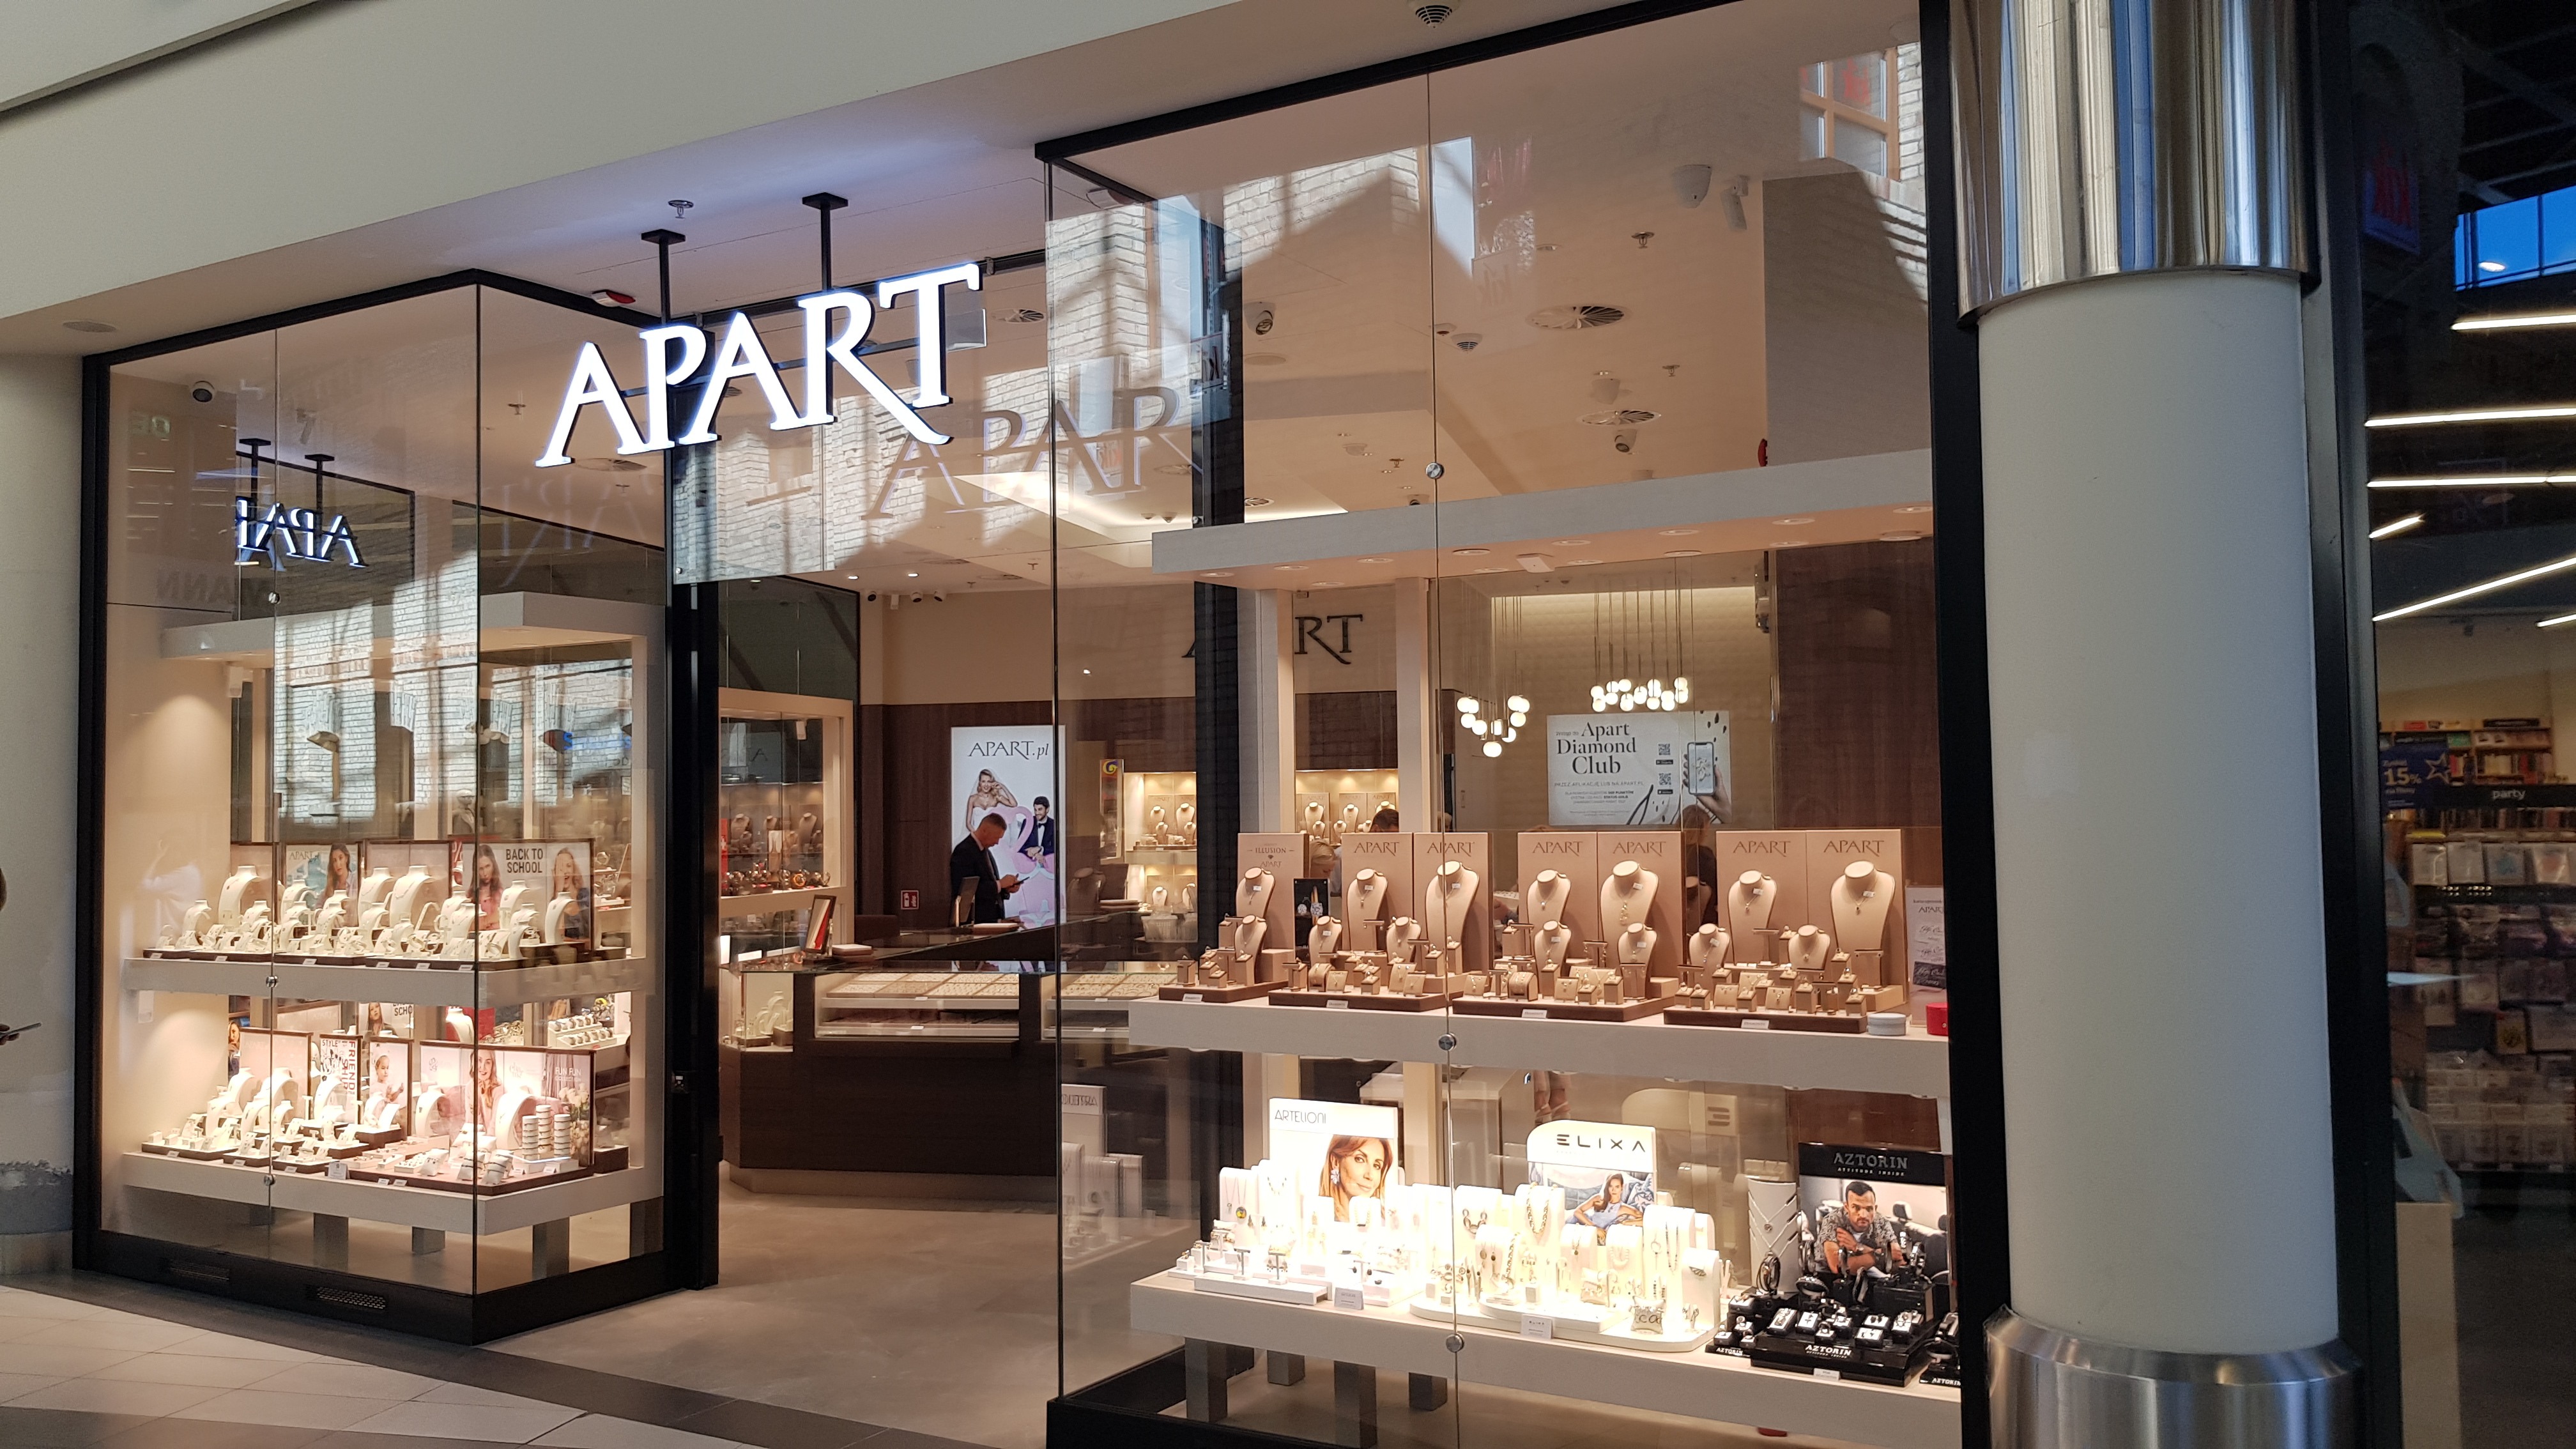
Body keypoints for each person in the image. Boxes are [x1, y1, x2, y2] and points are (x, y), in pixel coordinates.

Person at [1816, 1179, 1907, 1277]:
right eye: (1856, 1208)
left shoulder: (1881, 1222)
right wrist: (1878, 1255)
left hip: (1870, 1276)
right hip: (1830, 1278)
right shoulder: (1832, 1221)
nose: (1863, 1215)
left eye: (1869, 1209)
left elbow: (1897, 1256)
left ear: (1875, 1208)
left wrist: (1858, 1247)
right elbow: (1838, 1267)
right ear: (1847, 1207)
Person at [948, 812, 1021, 924]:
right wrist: (1000, 884)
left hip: (991, 921)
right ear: (984, 831)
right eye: (996, 837)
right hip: (975, 923)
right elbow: (966, 891)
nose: (997, 842)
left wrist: (1006, 888)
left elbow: (988, 884)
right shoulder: (964, 851)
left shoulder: (986, 851)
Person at [1319, 1135, 1392, 1220]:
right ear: (1335, 1161)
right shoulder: (1315, 1219)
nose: (1370, 1176)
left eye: (1377, 1166)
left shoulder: (1386, 1224)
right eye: (1360, 1159)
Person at [1574, 1172, 1645, 1237]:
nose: (1614, 1190)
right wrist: (1595, 1228)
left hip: (1589, 1236)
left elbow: (1646, 1221)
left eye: (1617, 1187)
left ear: (1622, 1187)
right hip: (1578, 1226)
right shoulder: (1599, 1198)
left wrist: (1626, 1223)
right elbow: (1577, 1212)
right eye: (1611, 1186)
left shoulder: (1623, 1208)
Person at [551, 847, 590, 942]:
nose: (565, 872)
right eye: (560, 869)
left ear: (574, 869)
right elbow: (558, 937)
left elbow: (596, 932)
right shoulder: (554, 903)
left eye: (568, 866)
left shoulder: (584, 895)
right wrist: (559, 891)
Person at [963, 769, 1019, 834]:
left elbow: (1014, 804)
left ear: (992, 783)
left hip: (992, 835)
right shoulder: (973, 799)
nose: (986, 785)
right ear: (980, 783)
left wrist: (1003, 787)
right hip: (977, 835)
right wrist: (977, 835)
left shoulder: (996, 797)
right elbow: (968, 823)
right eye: (983, 781)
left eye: (989, 782)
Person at [470, 843, 503, 930]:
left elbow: (502, 920)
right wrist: (490, 920)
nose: (485, 873)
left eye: (488, 866)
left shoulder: (502, 894)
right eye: (481, 869)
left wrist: (483, 922)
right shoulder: (470, 896)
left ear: (493, 865)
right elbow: (469, 926)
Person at [1023, 796, 1059, 873]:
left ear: (1047, 809)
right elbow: (1020, 847)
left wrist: (1041, 849)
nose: (1037, 813)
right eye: (1035, 810)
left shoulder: (1054, 825)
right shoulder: (1027, 822)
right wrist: (1035, 854)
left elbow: (1057, 847)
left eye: (1040, 809)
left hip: (1049, 867)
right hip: (1029, 867)